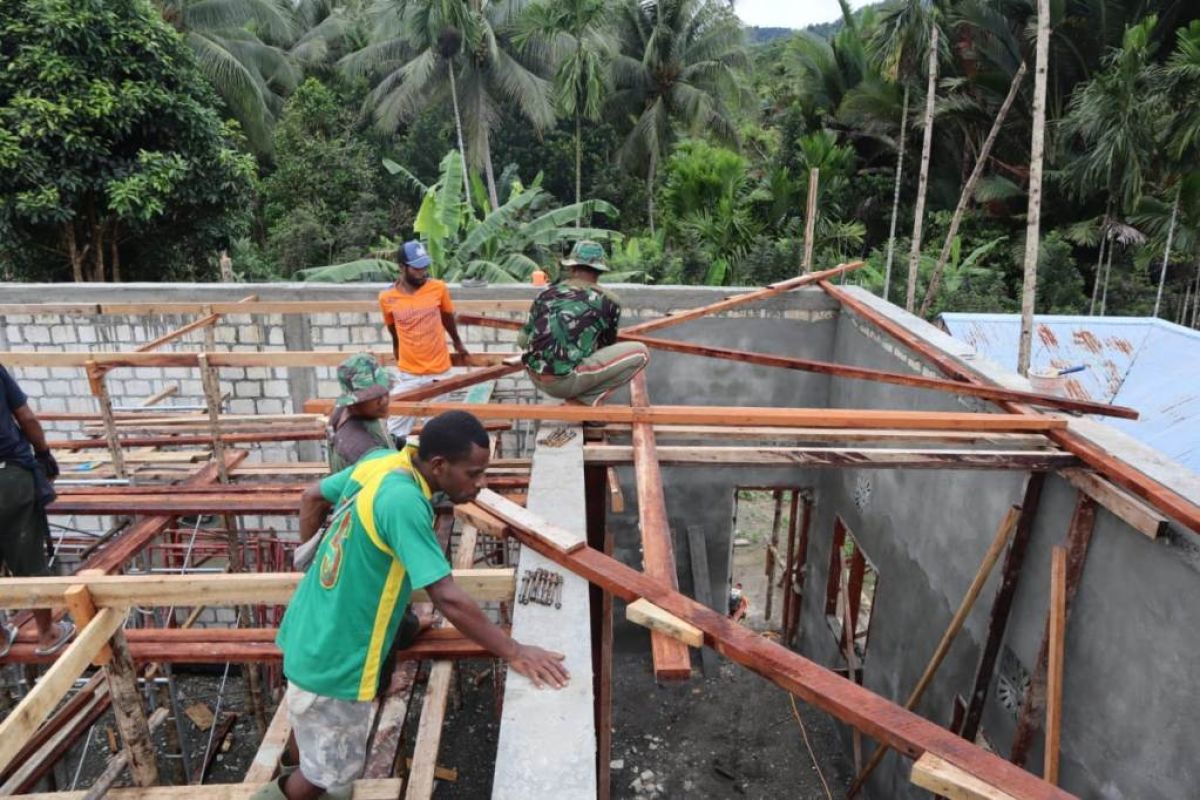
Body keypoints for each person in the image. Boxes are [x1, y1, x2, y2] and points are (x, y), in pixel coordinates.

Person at [258, 411, 568, 800]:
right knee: (323, 778)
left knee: (322, 756)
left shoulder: (382, 461)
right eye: (473, 474)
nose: (480, 484)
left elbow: (312, 496)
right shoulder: (404, 502)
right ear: (438, 465)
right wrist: (515, 650)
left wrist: (324, 574)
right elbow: (447, 596)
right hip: (332, 659)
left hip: (310, 627)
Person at [0, 364, 75, 657]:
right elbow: (26, 417)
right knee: (28, 556)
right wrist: (43, 453)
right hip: (9, 476)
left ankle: (0, 640)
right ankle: (47, 633)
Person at [518, 240, 649, 406]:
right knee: (641, 353)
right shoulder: (608, 301)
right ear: (599, 272)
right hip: (563, 384)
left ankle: (577, 392)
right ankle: (586, 399)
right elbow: (605, 346)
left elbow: (522, 341)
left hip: (534, 376)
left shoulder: (545, 294)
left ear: (572, 268)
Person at [377, 240, 468, 445]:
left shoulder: (438, 289)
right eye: (417, 268)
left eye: (425, 266)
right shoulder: (387, 298)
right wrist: (400, 358)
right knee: (396, 426)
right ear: (402, 267)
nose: (423, 272)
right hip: (409, 373)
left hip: (439, 372)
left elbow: (447, 318)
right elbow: (394, 333)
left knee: (436, 429)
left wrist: (458, 343)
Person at [325, 353, 394, 473]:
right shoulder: (360, 446)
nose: (384, 401)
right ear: (354, 401)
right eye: (374, 396)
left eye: (385, 391)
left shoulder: (348, 412)